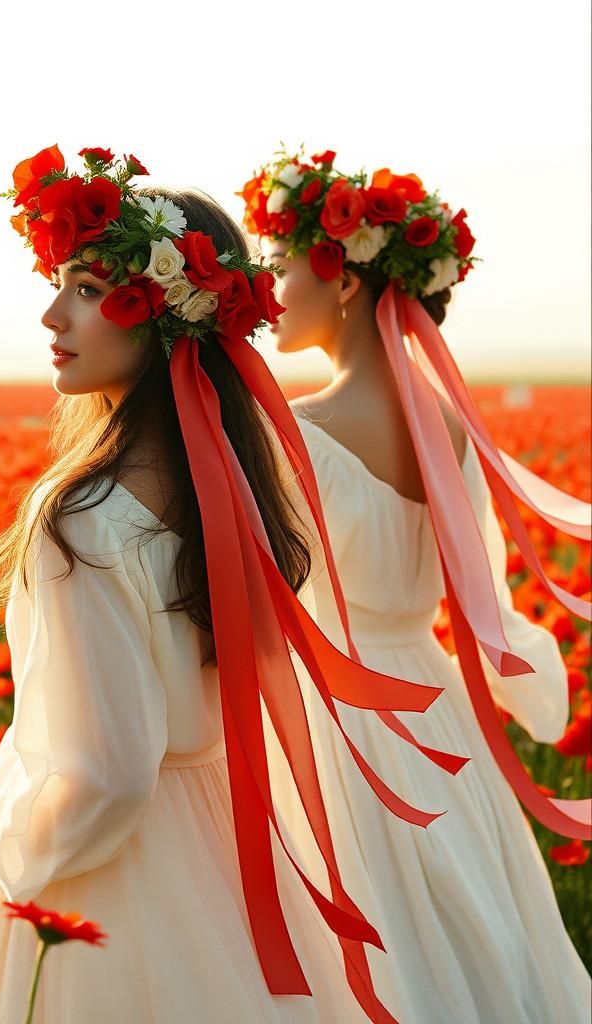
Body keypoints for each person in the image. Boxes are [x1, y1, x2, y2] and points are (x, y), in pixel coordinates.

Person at [0, 146, 453, 1024]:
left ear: (160, 311)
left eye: (83, 288)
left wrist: (1, 833)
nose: (50, 314)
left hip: (109, 878)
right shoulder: (236, 486)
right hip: (228, 840)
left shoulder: (81, 516)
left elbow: (106, 776)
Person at [242, 148, 591, 1023]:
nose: (270, 286)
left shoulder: (295, 427)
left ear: (346, 279)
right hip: (439, 707)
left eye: (283, 265)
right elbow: (479, 586)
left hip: (345, 715)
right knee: (479, 927)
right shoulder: (451, 428)